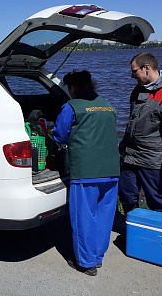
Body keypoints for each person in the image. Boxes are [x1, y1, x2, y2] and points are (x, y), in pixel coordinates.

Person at [52, 70, 120, 276]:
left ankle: (86, 262)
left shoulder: (72, 107)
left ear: (72, 87)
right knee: (104, 216)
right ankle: (97, 257)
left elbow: (60, 135)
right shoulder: (108, 105)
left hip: (86, 171)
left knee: (84, 217)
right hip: (111, 170)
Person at [119, 52, 162, 214]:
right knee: (127, 196)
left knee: (158, 201)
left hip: (153, 160)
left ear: (147, 68)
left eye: (134, 71)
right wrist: (123, 145)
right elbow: (133, 122)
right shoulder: (138, 89)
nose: (132, 75)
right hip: (129, 157)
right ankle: (131, 234)